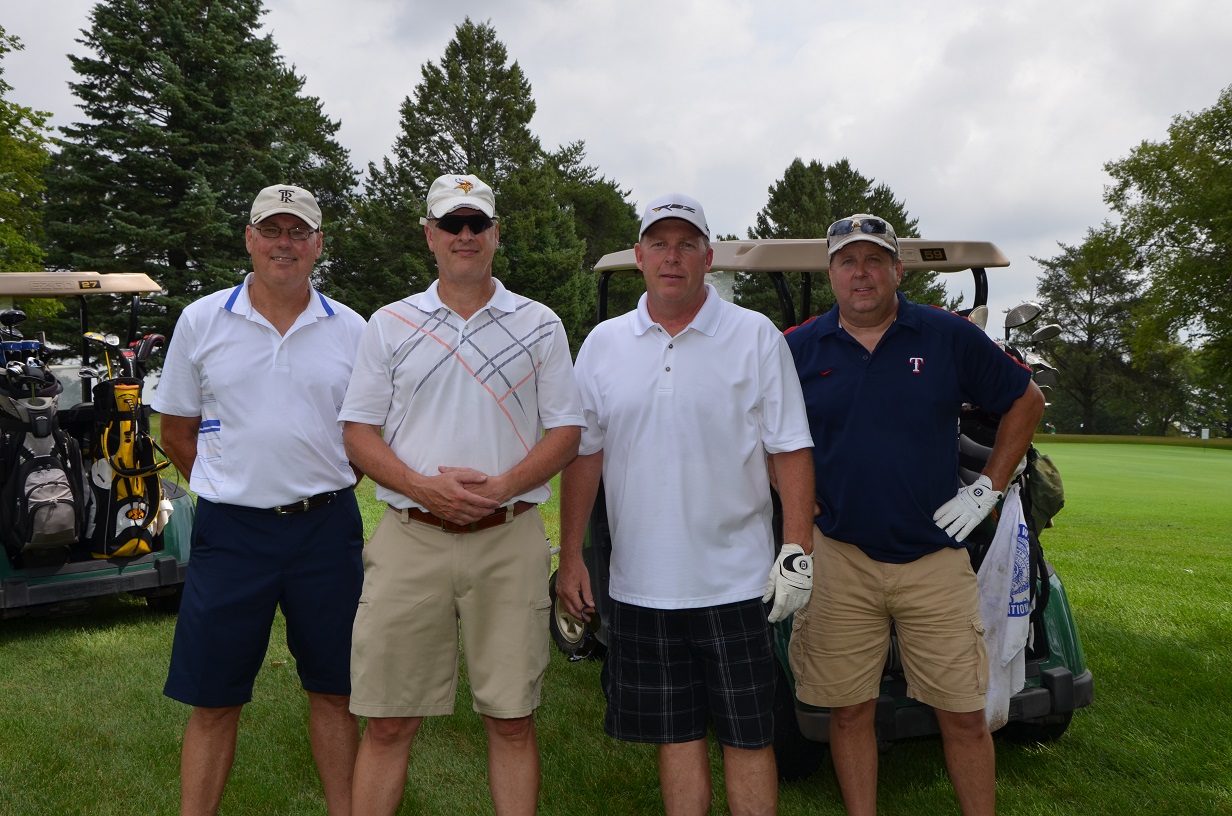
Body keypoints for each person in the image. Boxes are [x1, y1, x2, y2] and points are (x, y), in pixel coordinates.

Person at [557, 193, 816, 816]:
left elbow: (791, 452)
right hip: (643, 585)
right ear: (640, 255)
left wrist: (797, 550)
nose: (673, 257)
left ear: (707, 255)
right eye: (660, 244)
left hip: (737, 582)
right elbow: (584, 456)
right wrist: (571, 556)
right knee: (675, 736)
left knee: (749, 737)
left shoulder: (753, 337)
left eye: (687, 244)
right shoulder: (603, 343)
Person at [784, 214, 1046, 816]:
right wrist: (793, 499)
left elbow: (1025, 401)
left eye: (875, 260)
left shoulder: (945, 334)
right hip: (841, 554)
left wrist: (988, 487)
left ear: (898, 270)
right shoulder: (799, 347)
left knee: (963, 712)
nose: (862, 273)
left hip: (934, 559)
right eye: (848, 261)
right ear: (831, 274)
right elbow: (762, 433)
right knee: (849, 712)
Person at [339, 173, 583, 816]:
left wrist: (502, 486)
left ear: (496, 234)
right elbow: (357, 435)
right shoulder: (390, 324)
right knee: (389, 721)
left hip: (510, 540)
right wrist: (423, 487)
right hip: (409, 541)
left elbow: (566, 432)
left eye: (478, 224)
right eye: (452, 224)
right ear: (430, 236)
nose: (465, 235)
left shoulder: (540, 323)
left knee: (511, 720)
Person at [154, 184, 367, 816]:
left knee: (337, 690)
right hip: (231, 537)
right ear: (249, 238)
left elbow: (366, 435)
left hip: (326, 533)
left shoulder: (351, 327)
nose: (284, 243)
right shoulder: (202, 319)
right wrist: (230, 487)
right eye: (271, 230)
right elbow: (175, 431)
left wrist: (316, 484)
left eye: (297, 232)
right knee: (214, 698)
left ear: (318, 245)